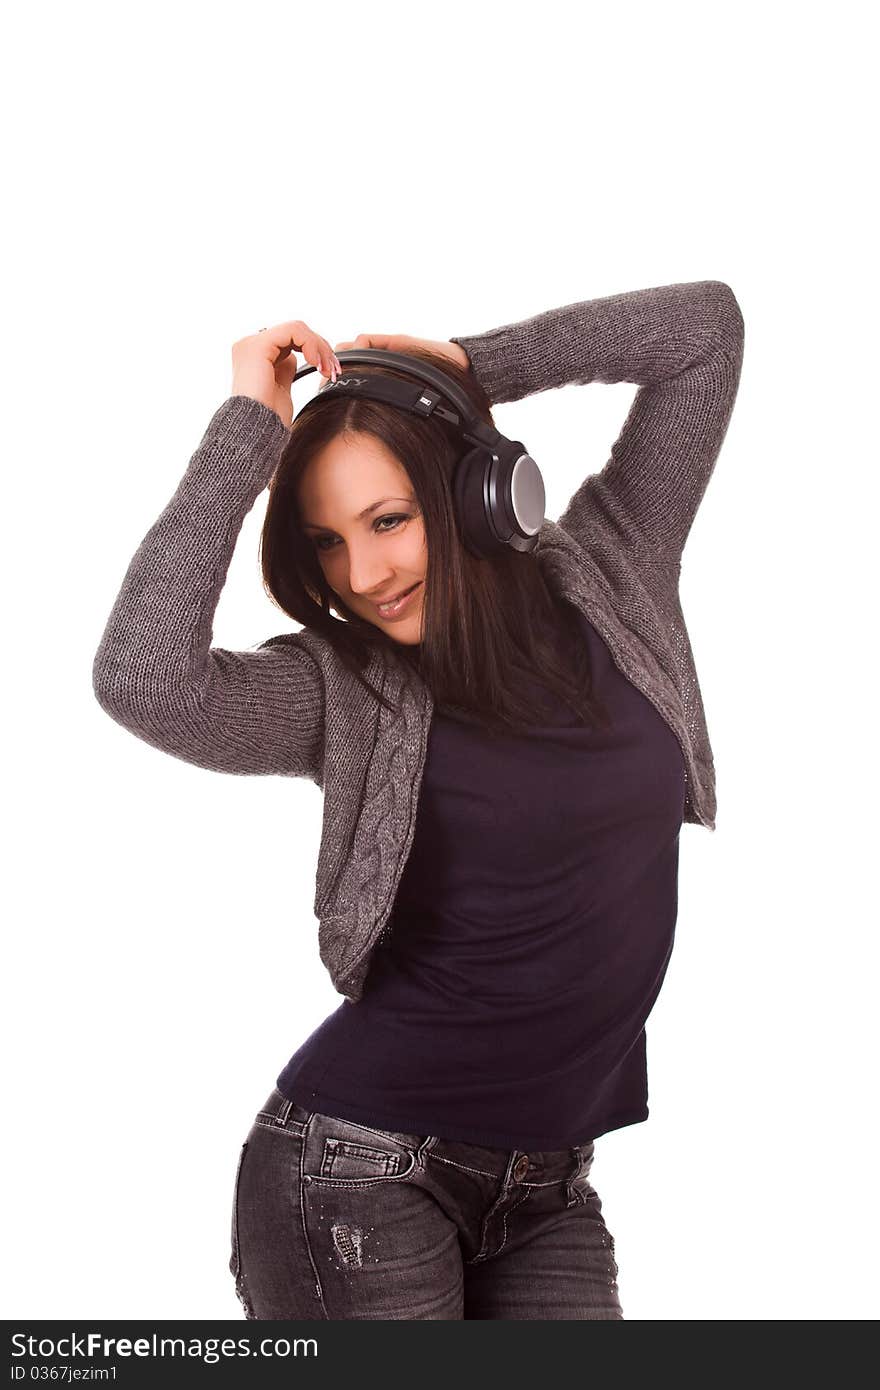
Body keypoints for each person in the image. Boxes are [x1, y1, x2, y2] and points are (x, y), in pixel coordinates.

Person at [92, 282, 745, 1320]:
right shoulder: (338, 689)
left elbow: (704, 333)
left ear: (477, 492)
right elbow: (143, 680)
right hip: (354, 1175)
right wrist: (245, 438)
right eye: (326, 543)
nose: (363, 573)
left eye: (387, 519)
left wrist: (472, 368)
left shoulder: (618, 568)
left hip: (548, 1190)